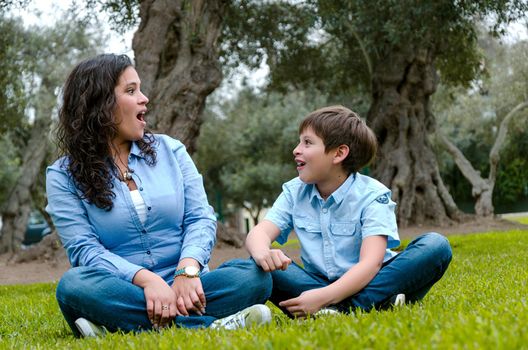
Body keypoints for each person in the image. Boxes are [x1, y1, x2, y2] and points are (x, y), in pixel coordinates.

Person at [46, 54, 272, 337]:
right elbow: (85, 250)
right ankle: (209, 325)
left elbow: (200, 217)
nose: (144, 99)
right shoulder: (63, 175)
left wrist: (187, 271)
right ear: (99, 105)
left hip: (188, 284)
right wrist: (147, 281)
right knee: (75, 287)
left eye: (139, 89)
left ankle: (122, 326)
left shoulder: (171, 151)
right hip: (126, 287)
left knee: (254, 278)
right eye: (131, 91)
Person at [245, 105, 453, 318]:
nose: (296, 149)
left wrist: (323, 297)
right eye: (299, 142)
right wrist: (263, 252)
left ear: (339, 153)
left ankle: (338, 310)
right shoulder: (294, 191)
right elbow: (259, 233)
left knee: (436, 246)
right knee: (257, 263)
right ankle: (375, 304)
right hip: (315, 284)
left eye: (307, 142)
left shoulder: (373, 195)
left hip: (372, 280)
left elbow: (371, 264)